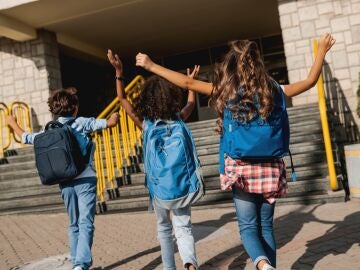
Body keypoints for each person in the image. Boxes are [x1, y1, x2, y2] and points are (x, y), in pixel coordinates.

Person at [135, 33, 336, 270]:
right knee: (266, 227)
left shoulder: (227, 91)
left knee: (248, 227)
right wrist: (321, 50)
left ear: (232, 65)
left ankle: (262, 265)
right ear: (257, 63)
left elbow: (188, 83)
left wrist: (151, 65)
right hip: (271, 167)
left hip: (240, 169)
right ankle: (269, 265)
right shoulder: (274, 89)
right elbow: (310, 81)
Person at [6, 88, 119, 270]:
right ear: (74, 107)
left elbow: (26, 137)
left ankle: (76, 262)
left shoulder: (49, 130)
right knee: (86, 223)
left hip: (65, 182)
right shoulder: (81, 122)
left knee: (74, 223)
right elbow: (109, 123)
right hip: (85, 180)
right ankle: (80, 265)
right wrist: (115, 115)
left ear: (53, 110)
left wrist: (12, 123)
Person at [107, 49, 200, 270]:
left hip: (159, 187)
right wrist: (191, 85)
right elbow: (191, 105)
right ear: (170, 98)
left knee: (164, 228)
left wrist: (119, 72)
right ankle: (190, 264)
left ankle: (169, 267)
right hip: (181, 183)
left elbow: (121, 99)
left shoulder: (146, 125)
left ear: (146, 99)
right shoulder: (178, 119)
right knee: (184, 227)